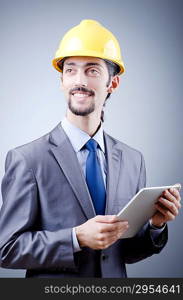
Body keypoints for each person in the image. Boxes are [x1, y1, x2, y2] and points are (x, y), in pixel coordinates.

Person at [0, 20, 181, 278]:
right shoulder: (28, 160)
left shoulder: (133, 160)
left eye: (92, 71)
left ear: (113, 83)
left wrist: (155, 225)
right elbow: (6, 248)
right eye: (71, 70)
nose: (79, 81)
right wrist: (76, 238)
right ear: (61, 81)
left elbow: (123, 253)